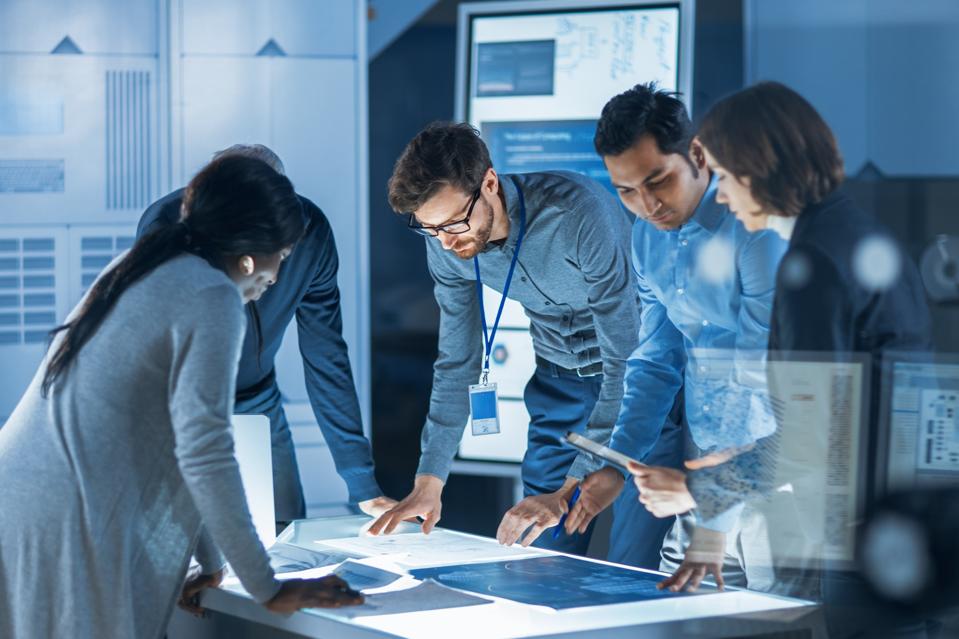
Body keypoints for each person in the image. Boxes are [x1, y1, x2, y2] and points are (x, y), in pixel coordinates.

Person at [0, 156, 363, 639]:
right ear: (252, 257)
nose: (279, 276)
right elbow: (204, 454)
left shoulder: (145, 267)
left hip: (26, 502)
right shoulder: (212, 298)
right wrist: (267, 588)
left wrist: (209, 563)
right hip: (66, 518)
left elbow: (177, 444)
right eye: (284, 253)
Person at [368, 121, 666, 564]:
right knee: (539, 558)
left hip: (636, 391)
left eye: (454, 223)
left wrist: (571, 488)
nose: (447, 242)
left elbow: (625, 360)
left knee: (634, 562)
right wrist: (429, 480)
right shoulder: (445, 241)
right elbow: (457, 359)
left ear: (489, 183)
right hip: (558, 391)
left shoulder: (577, 215)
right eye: (430, 230)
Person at [695, 81, 933, 636]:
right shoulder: (858, 234)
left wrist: (708, 487)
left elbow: (813, 434)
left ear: (757, 168)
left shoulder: (814, 263)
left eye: (725, 178)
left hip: (862, 526)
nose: (723, 197)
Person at [560, 83, 789, 586]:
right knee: (676, 618)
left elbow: (757, 380)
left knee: (784, 622)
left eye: (657, 181)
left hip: (770, 480)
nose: (646, 205)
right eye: (625, 191)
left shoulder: (755, 232)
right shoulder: (647, 238)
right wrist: (617, 465)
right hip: (703, 480)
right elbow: (653, 364)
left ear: (698, 154)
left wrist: (711, 504)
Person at [138, 144, 393, 523]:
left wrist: (362, 485)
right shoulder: (169, 228)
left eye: (285, 255)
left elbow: (326, 355)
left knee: (285, 526)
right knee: (180, 528)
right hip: (172, 398)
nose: (275, 276)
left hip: (258, 396)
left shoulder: (309, 232)